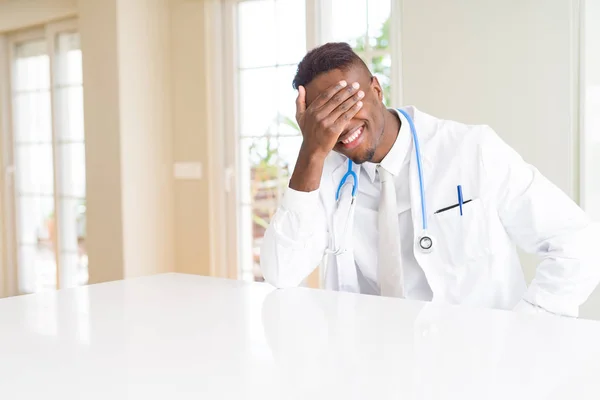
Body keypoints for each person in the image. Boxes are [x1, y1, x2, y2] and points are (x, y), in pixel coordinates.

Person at [260, 42, 599, 317]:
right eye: (325, 115)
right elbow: (282, 273)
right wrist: (312, 152)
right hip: (372, 363)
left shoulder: (472, 149)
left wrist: (523, 333)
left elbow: (576, 244)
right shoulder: (322, 172)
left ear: (376, 89)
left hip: (477, 365)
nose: (341, 124)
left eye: (347, 103)